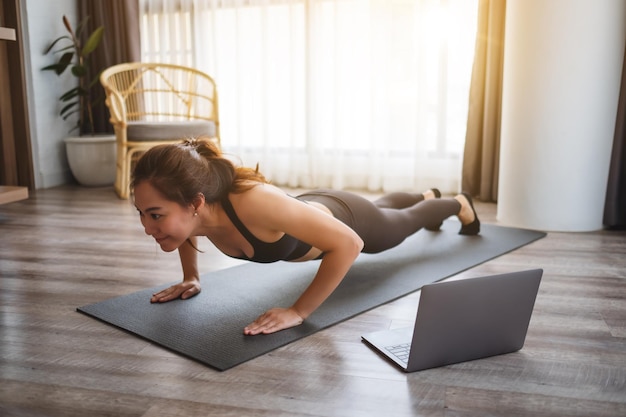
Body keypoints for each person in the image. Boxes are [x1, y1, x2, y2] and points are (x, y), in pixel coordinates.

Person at [131, 137, 480, 336]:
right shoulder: (197, 211)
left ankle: (455, 203)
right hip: (316, 209)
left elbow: (349, 244)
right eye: (143, 214)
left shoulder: (252, 203)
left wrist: (298, 311)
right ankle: (426, 194)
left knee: (400, 224)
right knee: (387, 210)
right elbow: (186, 231)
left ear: (195, 203)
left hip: (348, 219)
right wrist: (191, 277)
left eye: (156, 215)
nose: (148, 227)